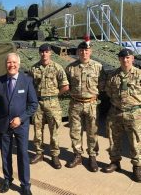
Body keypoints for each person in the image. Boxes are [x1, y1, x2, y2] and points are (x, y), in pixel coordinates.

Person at [0, 53, 38, 195]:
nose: (11, 65)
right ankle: (7, 179)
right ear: (6, 64)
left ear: (19, 64)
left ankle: (25, 185)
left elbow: (33, 104)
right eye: (9, 62)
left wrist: (21, 118)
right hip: (4, 124)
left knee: (22, 154)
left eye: (14, 62)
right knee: (5, 154)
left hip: (21, 125)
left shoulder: (27, 80)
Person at [65, 41, 105, 172]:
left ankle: (92, 156)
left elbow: (102, 86)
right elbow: (67, 85)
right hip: (75, 103)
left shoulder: (98, 67)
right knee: (75, 132)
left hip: (91, 104)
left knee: (92, 132)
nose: (84, 53)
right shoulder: (70, 68)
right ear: (78, 52)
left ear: (90, 52)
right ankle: (77, 155)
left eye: (86, 50)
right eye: (81, 50)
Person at [103, 48, 141, 182]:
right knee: (114, 139)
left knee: (135, 141)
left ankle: (137, 167)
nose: (125, 60)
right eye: (122, 58)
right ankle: (115, 162)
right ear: (119, 59)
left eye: (128, 58)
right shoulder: (113, 75)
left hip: (134, 113)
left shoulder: (139, 74)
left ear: (132, 59)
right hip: (116, 112)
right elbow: (108, 91)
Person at [29, 43, 69, 169]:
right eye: (42, 51)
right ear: (39, 53)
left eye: (46, 51)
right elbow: (29, 86)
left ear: (50, 53)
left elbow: (65, 86)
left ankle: (55, 155)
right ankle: (39, 153)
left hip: (53, 103)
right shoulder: (34, 68)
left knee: (54, 130)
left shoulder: (57, 67)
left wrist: (55, 94)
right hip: (38, 103)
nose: (44, 54)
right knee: (37, 130)